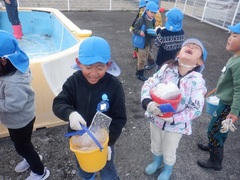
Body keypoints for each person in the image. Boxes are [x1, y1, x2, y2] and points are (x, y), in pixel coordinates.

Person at [52, 36, 127, 180]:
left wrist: (109, 143)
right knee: (85, 169)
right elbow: (59, 103)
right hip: (80, 140)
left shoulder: (114, 86)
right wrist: (71, 114)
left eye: (100, 68)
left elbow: (119, 118)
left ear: (108, 64)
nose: (93, 74)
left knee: (107, 171)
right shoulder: (73, 82)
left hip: (103, 141)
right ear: (79, 63)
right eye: (88, 67)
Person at [141, 38, 208, 180]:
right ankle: (156, 161)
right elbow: (150, 83)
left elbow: (196, 109)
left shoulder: (197, 81)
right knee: (156, 143)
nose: (190, 46)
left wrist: (173, 118)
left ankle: (167, 169)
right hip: (156, 117)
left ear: (199, 62)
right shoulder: (166, 69)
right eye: (187, 45)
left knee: (169, 149)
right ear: (178, 54)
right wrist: (148, 102)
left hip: (176, 126)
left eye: (196, 48)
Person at [0, 30, 50, 180]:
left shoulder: (13, 83)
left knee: (22, 146)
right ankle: (31, 156)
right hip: (21, 119)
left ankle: (40, 172)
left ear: (3, 61)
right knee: (22, 143)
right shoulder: (15, 67)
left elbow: (13, 105)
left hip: (20, 121)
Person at [197, 23, 240, 171]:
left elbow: (239, 90)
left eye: (234, 36)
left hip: (228, 106)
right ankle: (213, 146)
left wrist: (234, 112)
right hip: (226, 102)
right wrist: (220, 88)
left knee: (213, 131)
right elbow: (231, 81)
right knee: (221, 130)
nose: (229, 38)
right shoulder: (235, 57)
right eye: (230, 34)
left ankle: (215, 162)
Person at [132, 1, 159, 81]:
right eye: (152, 12)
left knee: (147, 55)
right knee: (142, 59)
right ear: (146, 11)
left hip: (149, 42)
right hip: (142, 43)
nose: (153, 14)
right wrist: (139, 32)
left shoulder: (153, 20)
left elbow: (153, 29)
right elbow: (134, 29)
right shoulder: (141, 20)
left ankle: (142, 69)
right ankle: (140, 74)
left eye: (155, 13)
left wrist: (155, 32)